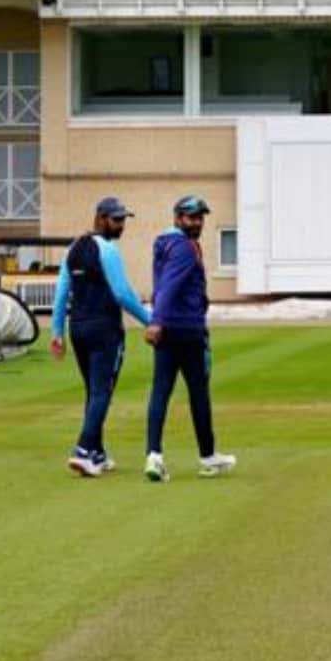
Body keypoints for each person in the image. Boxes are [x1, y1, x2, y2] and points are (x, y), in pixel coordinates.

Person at [50, 196, 151, 477]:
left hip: (78, 328)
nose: (121, 225)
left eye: (123, 220)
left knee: (94, 392)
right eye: (117, 220)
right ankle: (82, 450)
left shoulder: (74, 248)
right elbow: (122, 294)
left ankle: (97, 452)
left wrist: (57, 331)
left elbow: (61, 292)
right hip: (104, 329)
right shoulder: (107, 250)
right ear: (101, 218)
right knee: (101, 391)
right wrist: (150, 321)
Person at [144, 194, 236, 482]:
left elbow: (164, 287)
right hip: (185, 328)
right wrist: (156, 320)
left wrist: (159, 319)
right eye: (192, 217)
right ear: (178, 218)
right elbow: (170, 285)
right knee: (198, 393)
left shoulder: (167, 244)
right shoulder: (183, 248)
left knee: (161, 391)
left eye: (200, 218)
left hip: (170, 328)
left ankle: (153, 455)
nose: (197, 223)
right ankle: (208, 456)